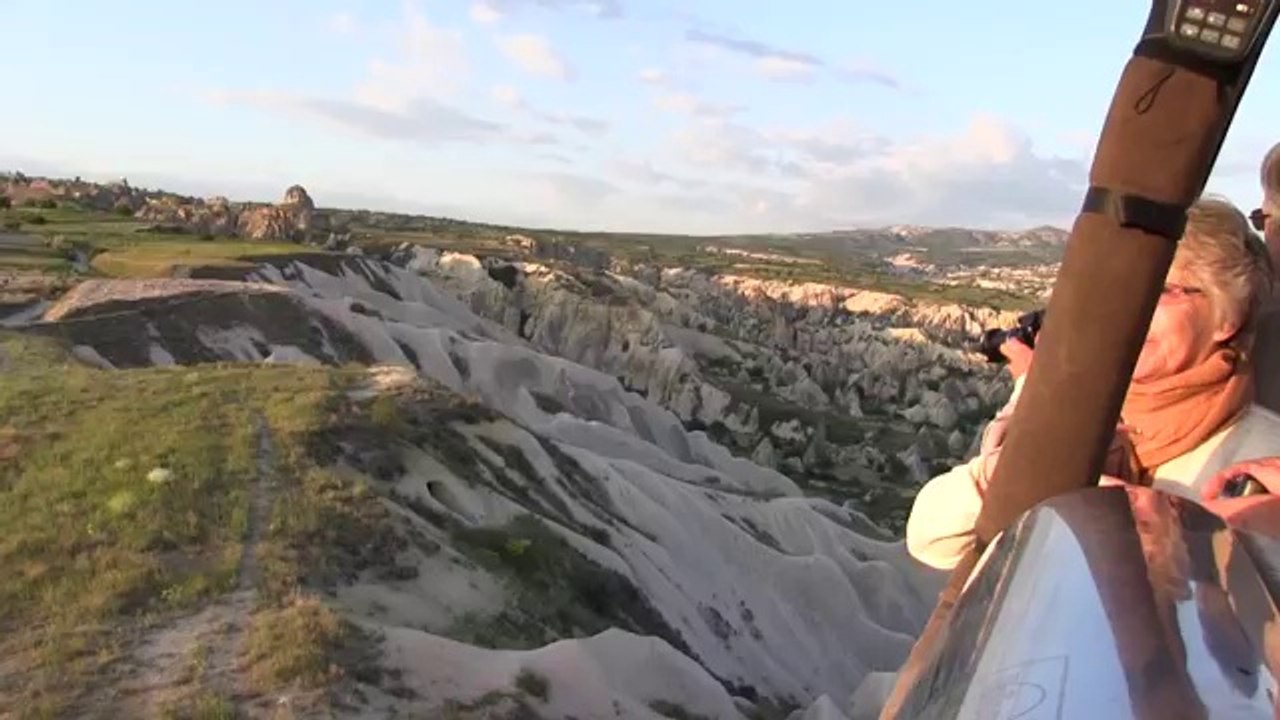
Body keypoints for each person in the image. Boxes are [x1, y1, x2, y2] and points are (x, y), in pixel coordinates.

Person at [906, 196, 1280, 570]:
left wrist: (1168, 532)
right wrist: (1015, 470)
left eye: (1161, 289)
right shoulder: (1084, 415)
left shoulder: (1260, 465)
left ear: (1227, 317)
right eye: (1120, 287)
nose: (1130, 306)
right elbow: (929, 539)